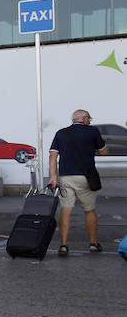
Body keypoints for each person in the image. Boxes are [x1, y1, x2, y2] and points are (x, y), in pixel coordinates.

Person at [49, 109, 109, 256]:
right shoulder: (92, 131)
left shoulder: (61, 133)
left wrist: (53, 176)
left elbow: (52, 157)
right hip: (85, 177)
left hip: (65, 177)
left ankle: (63, 245)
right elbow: (104, 152)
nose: (90, 121)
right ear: (85, 119)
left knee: (66, 210)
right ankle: (93, 244)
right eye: (90, 118)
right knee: (89, 210)